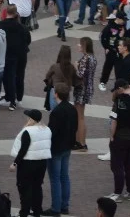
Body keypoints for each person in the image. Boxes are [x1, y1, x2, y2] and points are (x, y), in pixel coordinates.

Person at [106, 79, 130, 202]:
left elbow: (114, 120)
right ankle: (129, 191)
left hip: (120, 137)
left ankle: (117, 192)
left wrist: (112, 136)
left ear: (120, 89)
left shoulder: (119, 101)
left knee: (117, 165)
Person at [10, 108, 51, 217]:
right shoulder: (47, 129)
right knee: (37, 187)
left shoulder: (27, 131)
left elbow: (23, 149)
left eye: (28, 117)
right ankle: (37, 212)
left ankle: (24, 212)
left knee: (25, 189)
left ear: (31, 119)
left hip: (27, 164)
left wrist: (15, 163)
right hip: (42, 163)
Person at [44, 83, 77, 216]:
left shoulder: (56, 112)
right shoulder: (72, 109)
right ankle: (64, 205)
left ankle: (56, 208)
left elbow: (52, 132)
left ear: (56, 94)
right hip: (67, 146)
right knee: (64, 176)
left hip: (56, 148)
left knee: (55, 178)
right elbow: (75, 127)